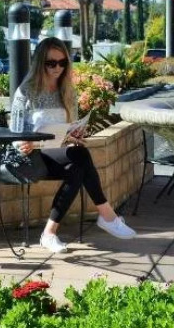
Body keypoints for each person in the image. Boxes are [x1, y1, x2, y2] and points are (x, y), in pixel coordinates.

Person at [11, 37, 136, 253]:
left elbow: (69, 128)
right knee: (81, 157)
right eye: (51, 63)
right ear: (40, 63)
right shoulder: (26, 92)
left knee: (78, 164)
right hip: (32, 156)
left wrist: (74, 135)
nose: (57, 68)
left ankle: (49, 233)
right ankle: (107, 216)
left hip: (57, 152)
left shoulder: (67, 92)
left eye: (62, 63)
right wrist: (25, 143)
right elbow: (14, 135)